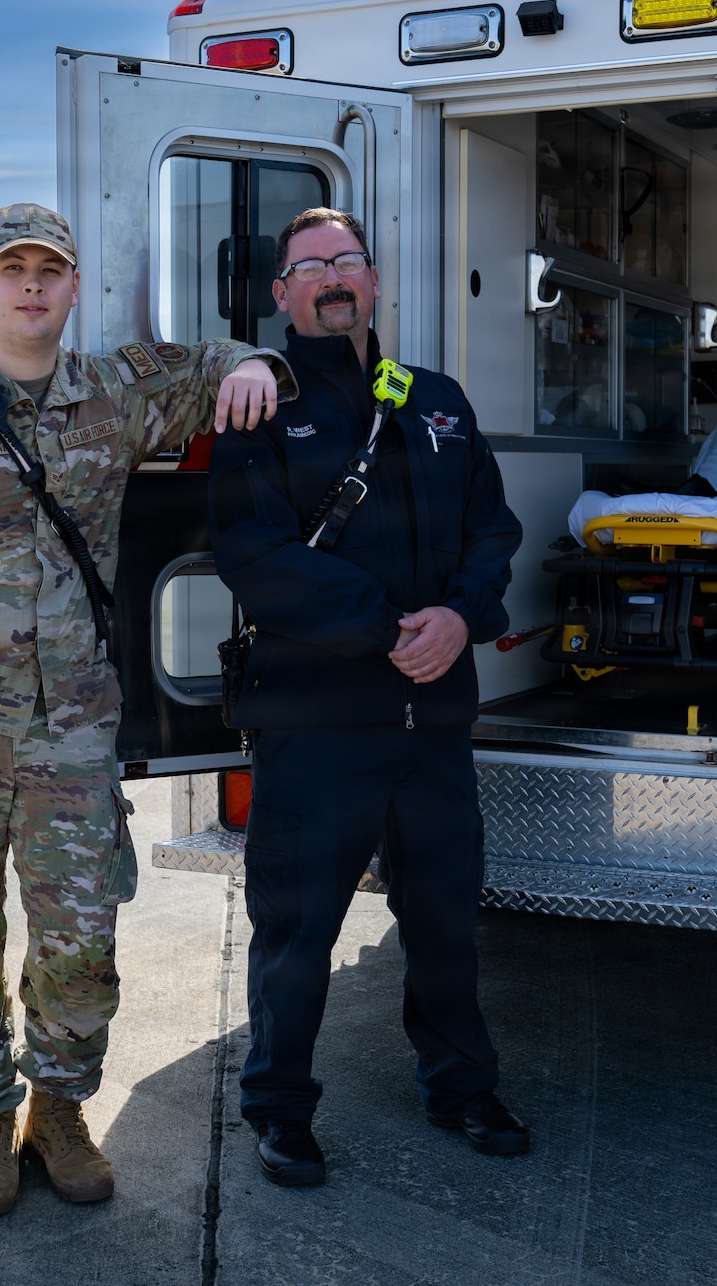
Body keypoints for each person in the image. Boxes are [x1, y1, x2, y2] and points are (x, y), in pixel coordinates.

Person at [0, 203, 292, 1217]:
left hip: (70, 726)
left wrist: (254, 365)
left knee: (81, 933)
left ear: (72, 288)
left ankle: (60, 1112)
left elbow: (215, 367)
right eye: (12, 268)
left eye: (49, 270)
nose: (31, 285)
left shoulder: (113, 397)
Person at [207, 207, 527, 1188]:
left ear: (374, 280)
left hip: (431, 720)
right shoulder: (259, 406)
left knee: (441, 918)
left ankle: (460, 1085)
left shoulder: (435, 401)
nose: (331, 277)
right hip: (315, 722)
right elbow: (250, 556)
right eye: (309, 266)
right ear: (281, 294)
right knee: (297, 927)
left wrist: (458, 616)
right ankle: (278, 1108)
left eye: (346, 260)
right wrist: (386, 628)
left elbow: (492, 528)